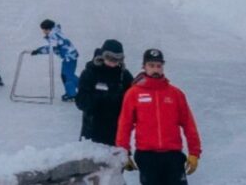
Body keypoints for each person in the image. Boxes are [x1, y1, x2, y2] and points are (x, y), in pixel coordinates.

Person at [117, 49, 202, 183]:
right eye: (151, 66)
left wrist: (194, 152)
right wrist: (124, 152)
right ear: (144, 67)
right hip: (147, 156)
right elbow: (124, 125)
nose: (155, 69)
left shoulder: (175, 94)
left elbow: (189, 124)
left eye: (158, 66)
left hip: (173, 156)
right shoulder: (133, 94)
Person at [76, 39, 133, 146]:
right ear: (102, 56)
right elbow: (80, 101)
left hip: (116, 132)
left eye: (116, 59)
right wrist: (102, 97)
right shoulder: (90, 73)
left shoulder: (124, 76)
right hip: (92, 132)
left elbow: (133, 98)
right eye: (109, 58)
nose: (112, 62)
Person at [31, 19, 80, 101]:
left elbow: (51, 48)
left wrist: (38, 51)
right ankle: (71, 93)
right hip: (69, 56)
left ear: (49, 29)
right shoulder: (55, 33)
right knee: (65, 75)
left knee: (67, 75)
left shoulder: (53, 35)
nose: (43, 32)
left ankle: (82, 89)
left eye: (44, 30)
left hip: (69, 57)